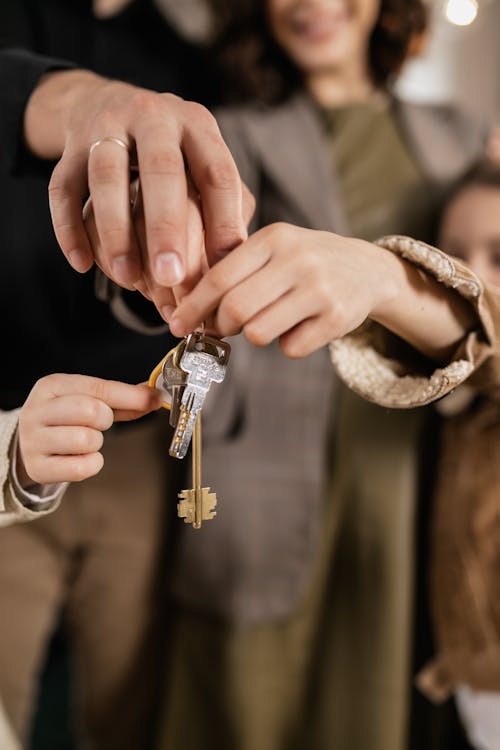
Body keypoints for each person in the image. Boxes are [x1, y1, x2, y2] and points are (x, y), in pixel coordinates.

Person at [151, 2, 494, 749]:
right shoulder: (226, 134)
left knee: (373, 695)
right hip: (259, 464)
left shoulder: (460, 137)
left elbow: (484, 305)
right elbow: (157, 285)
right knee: (244, 704)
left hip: (403, 471)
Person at [0, 1, 250, 746]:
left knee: (127, 704)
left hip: (134, 441)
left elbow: (167, 279)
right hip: (0, 427)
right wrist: (80, 100)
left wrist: (169, 284)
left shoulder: (187, 62)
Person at [415, 161, 500, 750]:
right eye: (451, 258)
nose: (473, 279)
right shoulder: (451, 397)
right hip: (475, 684)